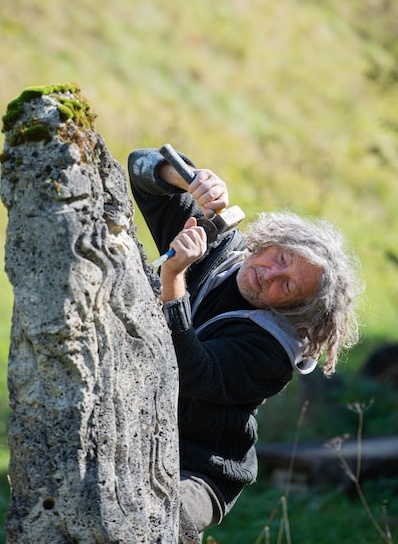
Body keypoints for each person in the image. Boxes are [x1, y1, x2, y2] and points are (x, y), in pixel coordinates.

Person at [127, 147, 363, 543]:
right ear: (272, 240)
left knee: (157, 519)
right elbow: (139, 171)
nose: (268, 275)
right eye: (281, 257)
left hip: (201, 469)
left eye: (287, 285)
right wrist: (188, 179)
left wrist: (173, 279)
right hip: (136, 433)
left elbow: (191, 373)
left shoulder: (272, 351)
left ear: (297, 306)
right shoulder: (217, 249)